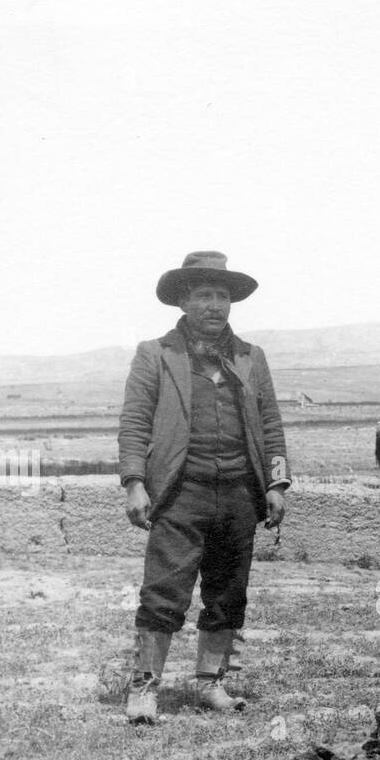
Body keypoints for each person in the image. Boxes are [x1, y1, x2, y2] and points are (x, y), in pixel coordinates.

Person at [118, 251, 290, 723]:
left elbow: (271, 424)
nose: (214, 305)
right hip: (179, 493)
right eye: (203, 295)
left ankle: (212, 683)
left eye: (222, 296)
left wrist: (276, 483)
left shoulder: (251, 358)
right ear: (183, 301)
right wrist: (134, 481)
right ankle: (144, 687)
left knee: (228, 592)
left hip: (239, 493)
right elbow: (134, 423)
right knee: (164, 591)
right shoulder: (156, 354)